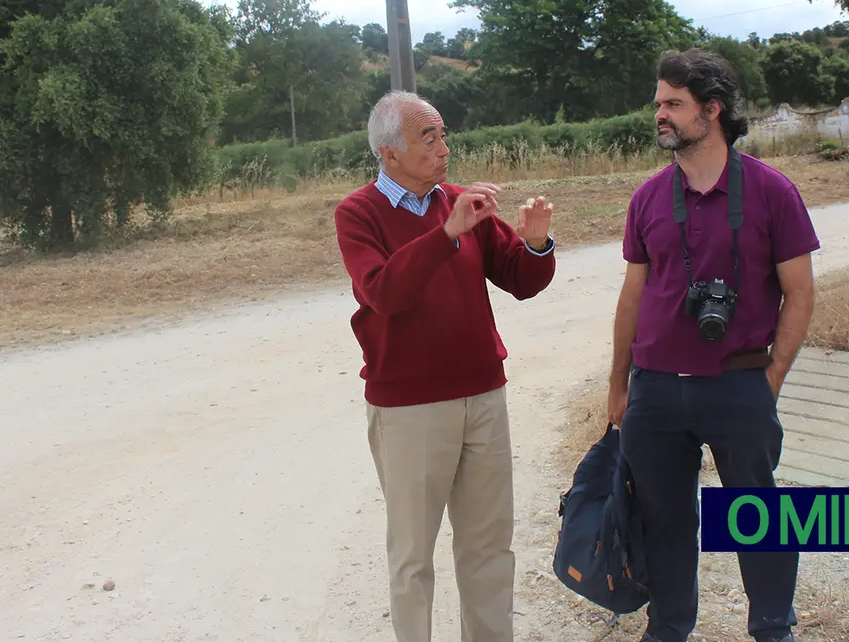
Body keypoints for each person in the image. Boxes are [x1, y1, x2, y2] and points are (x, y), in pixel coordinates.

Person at [607, 48, 819, 642]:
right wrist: (618, 384)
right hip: (655, 390)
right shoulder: (648, 198)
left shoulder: (774, 191)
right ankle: (669, 628)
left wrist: (768, 381)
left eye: (673, 104)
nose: (660, 115)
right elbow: (632, 297)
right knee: (664, 521)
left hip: (738, 384)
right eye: (658, 104)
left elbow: (799, 294)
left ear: (713, 109)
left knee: (756, 515)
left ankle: (773, 626)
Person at [333, 90, 558, 642]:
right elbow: (385, 292)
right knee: (413, 553)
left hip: (483, 396)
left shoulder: (459, 203)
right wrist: (446, 234)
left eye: (443, 134)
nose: (443, 148)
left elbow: (523, 281)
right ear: (389, 152)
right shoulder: (358, 214)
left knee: (488, 545)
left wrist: (535, 242)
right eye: (427, 138)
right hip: (408, 407)